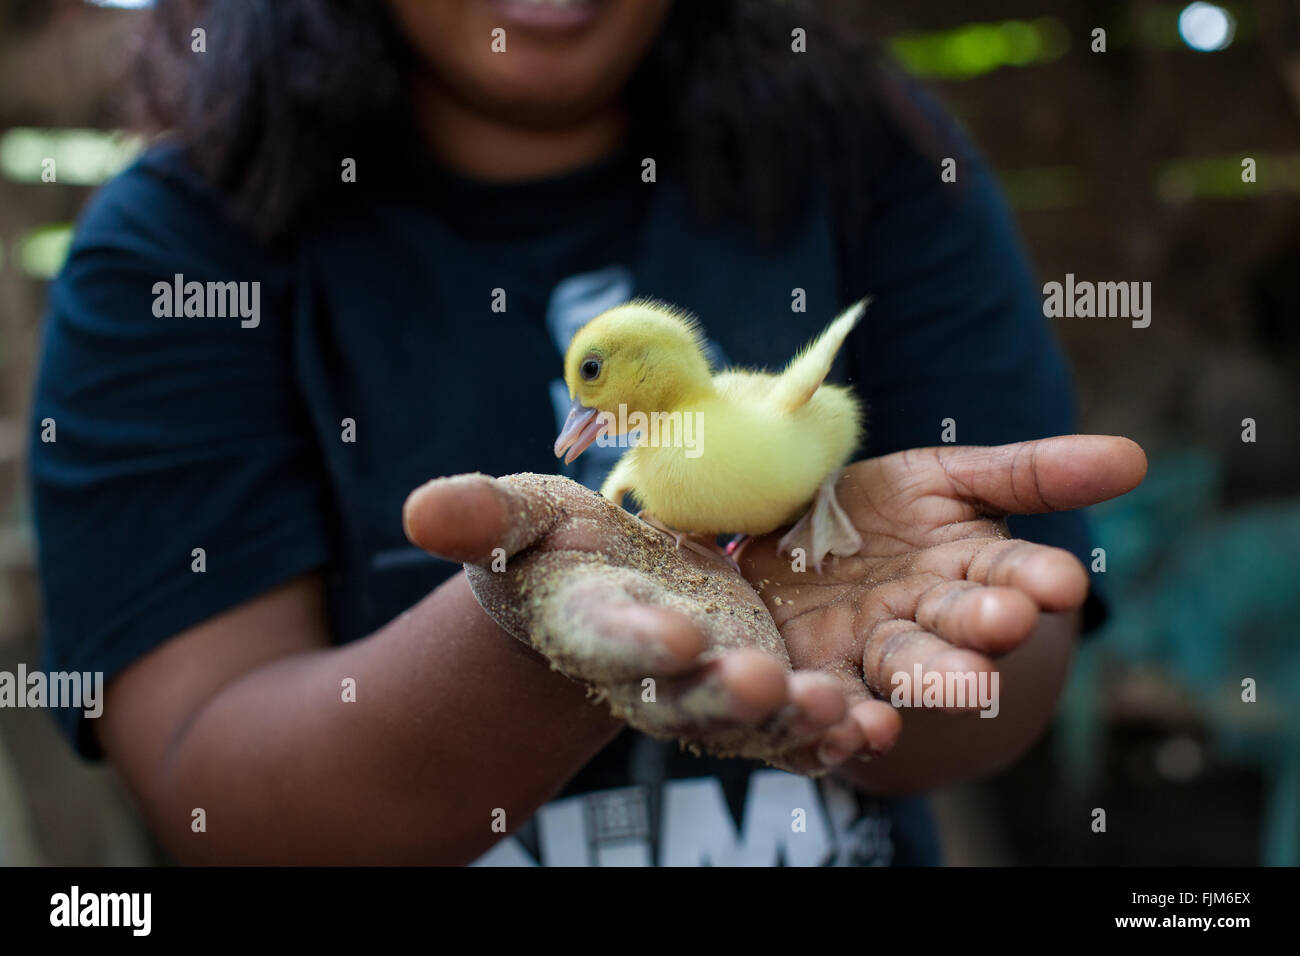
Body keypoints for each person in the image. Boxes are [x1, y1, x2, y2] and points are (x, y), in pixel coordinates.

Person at [30, 0, 1145, 865]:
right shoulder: (180, 247)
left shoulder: (865, 151)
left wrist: (883, 631)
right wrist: (537, 630)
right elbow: (209, 787)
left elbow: (1014, 643)